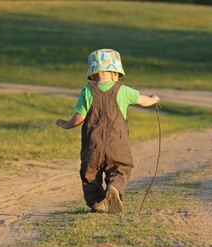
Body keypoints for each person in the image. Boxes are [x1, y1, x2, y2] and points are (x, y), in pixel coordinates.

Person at [56, 49, 160, 214]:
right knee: (120, 167)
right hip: (117, 143)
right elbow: (144, 101)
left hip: (93, 145)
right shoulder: (123, 90)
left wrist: (66, 124)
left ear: (93, 74)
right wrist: (154, 99)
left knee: (90, 174)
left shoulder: (88, 91)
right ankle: (114, 188)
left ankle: (96, 203)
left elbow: (79, 117)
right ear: (114, 73)